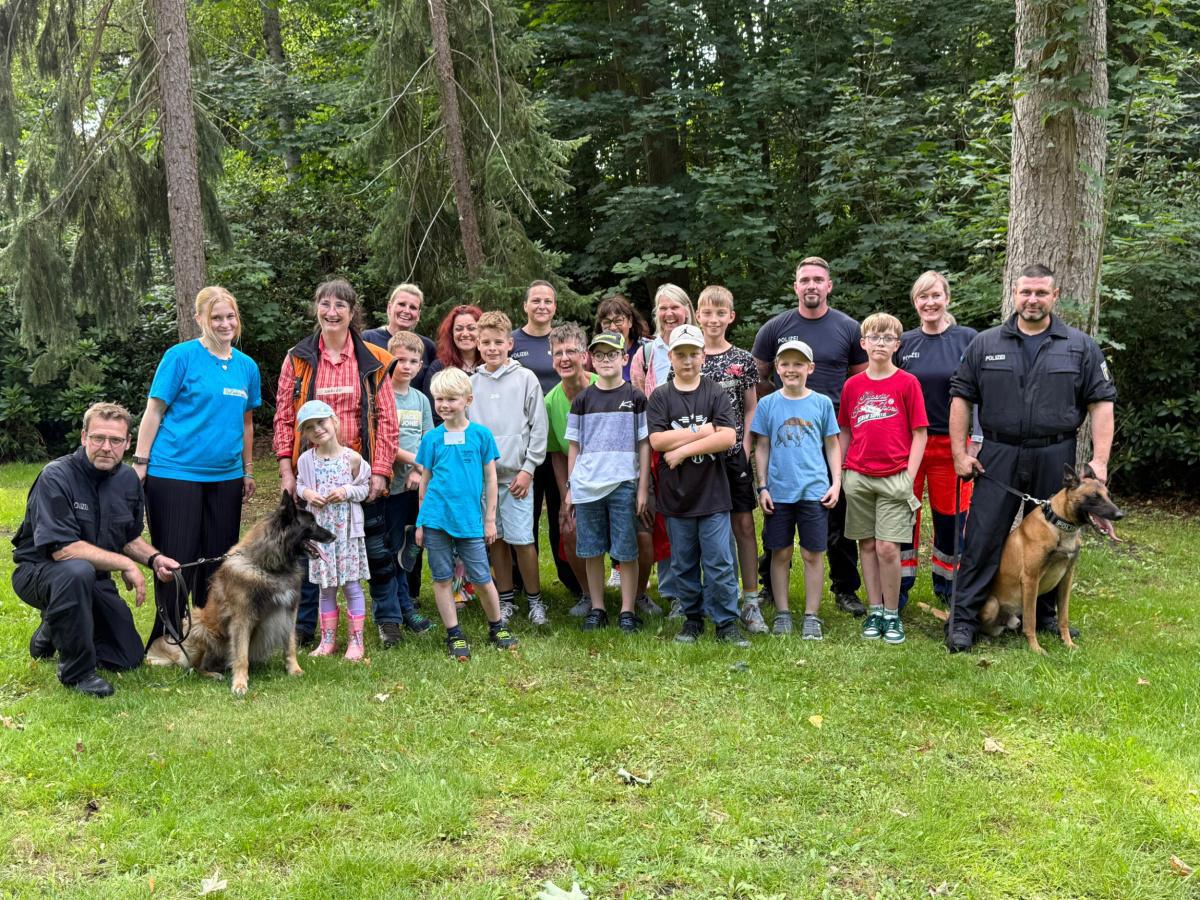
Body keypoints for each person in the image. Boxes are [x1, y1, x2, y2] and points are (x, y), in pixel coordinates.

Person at [945, 264, 1117, 653]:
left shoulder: (1080, 346)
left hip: (1055, 454)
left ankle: (1045, 615)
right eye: (1025, 292)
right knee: (983, 537)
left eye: (1041, 293)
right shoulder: (985, 344)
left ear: (1055, 296)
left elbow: (1101, 404)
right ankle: (965, 620)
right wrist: (959, 452)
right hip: (998, 455)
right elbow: (960, 398)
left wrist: (1100, 461)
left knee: (1056, 539)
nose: (1032, 300)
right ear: (1014, 294)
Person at [12, 403, 181, 697]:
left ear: (128, 443)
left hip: (93, 580)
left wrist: (154, 559)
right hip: (39, 573)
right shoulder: (56, 476)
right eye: (98, 438)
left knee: (127, 657)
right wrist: (124, 564)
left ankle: (54, 624)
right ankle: (77, 673)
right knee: (75, 571)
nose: (106, 447)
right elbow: (62, 550)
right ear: (83, 437)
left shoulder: (128, 480)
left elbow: (128, 538)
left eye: (116, 440)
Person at [132, 286, 260, 661]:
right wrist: (141, 463)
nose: (224, 324)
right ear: (199, 319)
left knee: (218, 562)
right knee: (177, 559)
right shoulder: (181, 357)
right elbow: (154, 411)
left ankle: (209, 639)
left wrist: (247, 469)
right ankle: (166, 641)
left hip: (225, 477)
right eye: (216, 317)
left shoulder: (246, 367)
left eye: (230, 317)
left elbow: (247, 423)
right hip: (175, 473)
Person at [272, 278, 400, 647]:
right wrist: (286, 469)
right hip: (311, 469)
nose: (332, 312)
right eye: (325, 304)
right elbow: (282, 416)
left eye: (340, 306)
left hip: (357, 468)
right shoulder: (298, 359)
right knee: (310, 547)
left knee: (375, 549)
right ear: (317, 308)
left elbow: (388, 419)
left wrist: (380, 470)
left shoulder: (374, 360)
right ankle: (308, 626)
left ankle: (387, 619)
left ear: (352, 312)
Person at [752, 256, 868, 617]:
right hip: (785, 431)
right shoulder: (776, 328)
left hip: (831, 431)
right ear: (796, 287)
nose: (812, 285)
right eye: (805, 280)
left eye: (819, 279)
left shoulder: (848, 329)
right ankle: (771, 585)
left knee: (836, 512)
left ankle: (845, 588)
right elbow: (758, 376)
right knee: (781, 511)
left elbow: (862, 380)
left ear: (829, 285)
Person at [647, 324, 750, 647]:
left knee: (719, 560)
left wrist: (683, 450)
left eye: (694, 353)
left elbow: (728, 436)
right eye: (681, 354)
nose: (688, 360)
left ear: (703, 356)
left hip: (713, 494)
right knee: (684, 561)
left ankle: (726, 622)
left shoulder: (714, 392)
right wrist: (702, 432)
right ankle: (692, 618)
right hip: (677, 497)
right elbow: (657, 439)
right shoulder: (662, 396)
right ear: (671, 357)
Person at [415, 368, 519, 660]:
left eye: (451, 399)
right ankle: (454, 633)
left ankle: (497, 626)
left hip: (470, 520)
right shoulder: (432, 439)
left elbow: (491, 480)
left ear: (468, 399)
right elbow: (425, 481)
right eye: (439, 399)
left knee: (482, 576)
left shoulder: (481, 436)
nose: (444, 405)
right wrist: (421, 521)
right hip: (435, 518)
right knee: (442, 578)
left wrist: (489, 519)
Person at [837, 313, 929, 645]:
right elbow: (845, 429)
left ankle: (892, 613)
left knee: (888, 547)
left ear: (897, 345)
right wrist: (841, 473)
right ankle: (874, 609)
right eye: (874, 337)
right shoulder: (853, 385)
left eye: (887, 337)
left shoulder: (907, 383)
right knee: (866, 544)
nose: (880, 343)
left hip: (895, 477)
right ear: (863, 343)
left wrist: (909, 475)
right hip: (858, 476)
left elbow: (920, 434)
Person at [895, 271, 978, 610]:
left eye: (935, 296)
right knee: (902, 516)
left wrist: (977, 441)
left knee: (951, 518)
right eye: (922, 297)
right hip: (908, 445)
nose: (929, 303)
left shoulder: (969, 339)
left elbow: (981, 392)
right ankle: (898, 588)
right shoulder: (905, 342)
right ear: (915, 303)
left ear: (947, 299)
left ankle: (949, 588)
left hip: (951, 445)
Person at [750, 340, 842, 639]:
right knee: (780, 552)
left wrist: (836, 482)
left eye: (798, 363)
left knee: (813, 553)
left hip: (814, 490)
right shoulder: (768, 404)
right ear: (777, 368)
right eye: (785, 364)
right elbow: (761, 447)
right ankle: (783, 612)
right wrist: (762, 486)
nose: (792, 369)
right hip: (779, 492)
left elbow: (832, 445)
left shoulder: (822, 403)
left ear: (810, 368)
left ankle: (812, 616)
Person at [565, 331, 651, 633]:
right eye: (599, 355)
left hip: (624, 484)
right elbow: (574, 446)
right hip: (588, 486)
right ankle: (598, 606)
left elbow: (644, 444)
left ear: (624, 358)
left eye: (611, 354)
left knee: (627, 550)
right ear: (590, 359)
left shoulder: (636, 399)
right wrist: (571, 486)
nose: (605, 360)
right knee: (591, 549)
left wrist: (642, 486)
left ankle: (628, 610)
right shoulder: (582, 400)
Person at [468, 311, 550, 626]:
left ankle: (535, 599)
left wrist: (529, 468)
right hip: (485, 479)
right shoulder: (471, 383)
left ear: (509, 344)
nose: (492, 348)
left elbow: (538, 428)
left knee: (523, 541)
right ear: (478, 344)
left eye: (498, 342)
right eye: (485, 342)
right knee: (496, 539)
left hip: (517, 477)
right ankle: (505, 599)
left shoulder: (525, 378)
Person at [510, 280, 583, 600]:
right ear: (525, 305)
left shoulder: (563, 341)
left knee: (560, 511)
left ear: (555, 307)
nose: (542, 306)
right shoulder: (513, 341)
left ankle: (571, 578)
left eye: (548, 301)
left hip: (558, 438)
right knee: (522, 514)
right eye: (535, 300)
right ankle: (520, 582)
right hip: (524, 443)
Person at [695, 285, 762, 630]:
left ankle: (750, 600)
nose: (714, 319)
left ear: (731, 317)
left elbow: (751, 408)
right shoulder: (689, 355)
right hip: (699, 457)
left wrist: (745, 445)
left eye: (721, 313)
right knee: (705, 527)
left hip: (734, 455)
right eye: (707, 312)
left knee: (744, 525)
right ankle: (709, 595)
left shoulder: (743, 360)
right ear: (698, 316)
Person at [295, 402, 371, 661]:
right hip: (321, 534)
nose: (317, 429)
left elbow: (364, 489)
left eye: (321, 422)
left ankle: (355, 642)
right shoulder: (306, 460)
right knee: (325, 588)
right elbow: (300, 485)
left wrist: (346, 492)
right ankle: (327, 641)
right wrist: (307, 493)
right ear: (305, 434)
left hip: (346, 532)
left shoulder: (352, 458)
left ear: (334, 421)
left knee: (351, 585)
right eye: (309, 427)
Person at [544, 323, 599, 615]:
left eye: (571, 351)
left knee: (637, 531)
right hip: (577, 480)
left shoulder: (605, 387)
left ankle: (637, 594)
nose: (564, 358)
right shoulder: (551, 402)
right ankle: (588, 594)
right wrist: (567, 497)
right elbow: (556, 454)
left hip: (612, 477)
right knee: (569, 530)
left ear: (585, 356)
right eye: (558, 353)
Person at [382, 331, 434, 636]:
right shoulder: (382, 394)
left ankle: (406, 603)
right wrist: (414, 462)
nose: (406, 366)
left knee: (409, 548)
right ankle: (399, 609)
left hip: (415, 487)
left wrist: (419, 471)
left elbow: (428, 436)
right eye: (400, 359)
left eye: (413, 361)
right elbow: (386, 442)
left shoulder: (421, 399)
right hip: (390, 487)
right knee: (390, 548)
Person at [362, 283, 438, 397]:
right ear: (389, 307)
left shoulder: (428, 347)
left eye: (413, 307)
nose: (406, 311)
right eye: (401, 304)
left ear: (418, 314)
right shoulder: (367, 339)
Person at [630, 283, 695, 396]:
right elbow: (640, 403)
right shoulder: (644, 355)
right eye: (663, 308)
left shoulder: (703, 348)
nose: (669, 314)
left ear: (687, 311)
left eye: (675, 307)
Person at [593, 294, 651, 383]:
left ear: (630, 321)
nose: (613, 327)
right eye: (606, 322)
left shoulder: (647, 350)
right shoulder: (595, 355)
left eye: (618, 321)